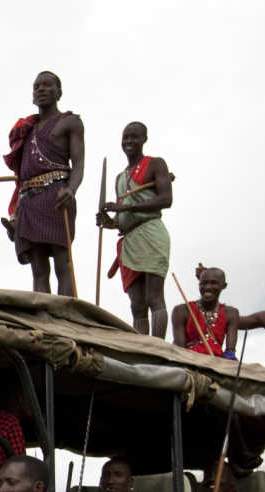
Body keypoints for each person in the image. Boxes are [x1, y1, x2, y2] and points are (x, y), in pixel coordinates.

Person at [2, 71, 84, 297]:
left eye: (47, 85)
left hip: (56, 195)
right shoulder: (26, 129)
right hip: (28, 200)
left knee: (62, 261)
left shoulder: (70, 122)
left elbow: (79, 164)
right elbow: (21, 174)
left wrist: (71, 190)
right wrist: (16, 213)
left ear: (59, 92)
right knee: (38, 268)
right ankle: (43, 318)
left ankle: (66, 315)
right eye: (36, 86)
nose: (41, 89)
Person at [97, 123, 173, 337]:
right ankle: (142, 347)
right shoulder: (120, 178)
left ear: (144, 139)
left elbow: (166, 199)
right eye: (125, 137)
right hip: (130, 239)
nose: (129, 141)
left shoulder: (155, 164)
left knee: (154, 298)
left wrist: (126, 206)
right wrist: (109, 221)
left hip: (150, 232)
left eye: (134, 137)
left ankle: (157, 348)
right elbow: (122, 220)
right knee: (137, 305)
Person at [172, 265, 238, 357]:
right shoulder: (182, 311)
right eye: (203, 283)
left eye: (214, 283)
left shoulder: (231, 313)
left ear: (224, 286)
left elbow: (230, 352)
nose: (207, 287)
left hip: (217, 364)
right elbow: (180, 350)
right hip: (188, 361)